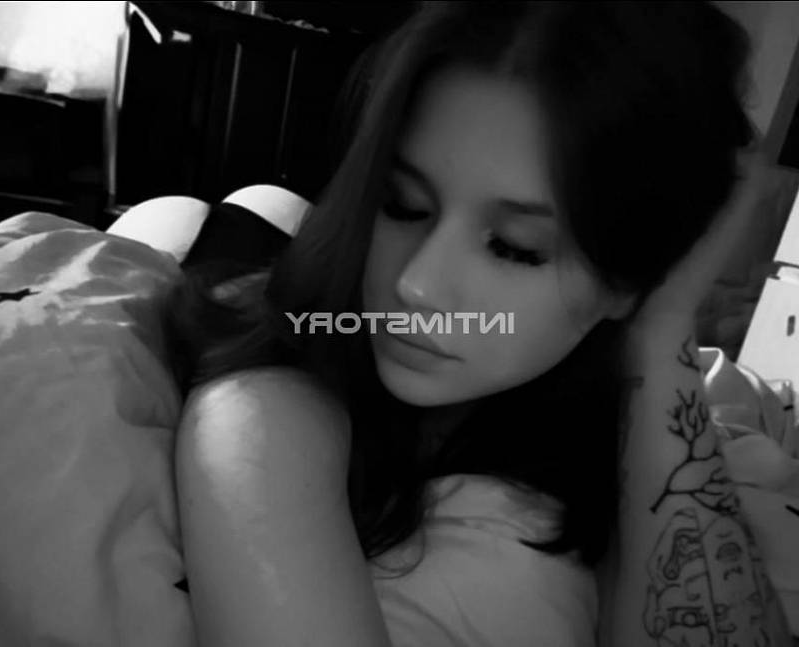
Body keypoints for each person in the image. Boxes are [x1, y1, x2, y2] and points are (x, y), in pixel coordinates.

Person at [167, 2, 793, 645]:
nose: (416, 285)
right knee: (204, 213)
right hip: (255, 264)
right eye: (401, 203)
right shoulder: (273, 398)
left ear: (627, 281)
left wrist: (663, 326)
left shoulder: (591, 406)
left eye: (514, 248)